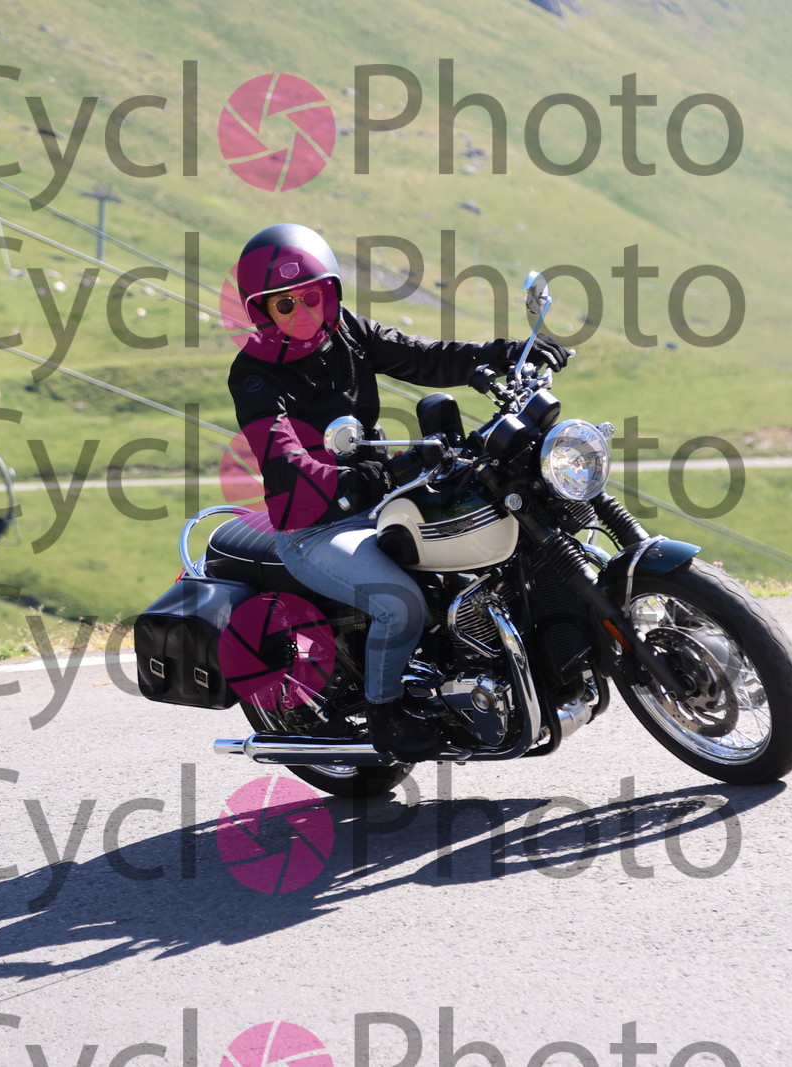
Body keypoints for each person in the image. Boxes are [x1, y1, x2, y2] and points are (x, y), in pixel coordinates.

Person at [226, 222, 568, 759]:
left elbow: (422, 356)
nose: (302, 312)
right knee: (399, 602)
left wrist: (504, 354)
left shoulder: (349, 332)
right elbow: (285, 459)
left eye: (311, 297)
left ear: (330, 293)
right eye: (284, 304)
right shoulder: (254, 375)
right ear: (263, 312)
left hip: (380, 499)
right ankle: (386, 712)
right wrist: (365, 479)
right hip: (315, 527)